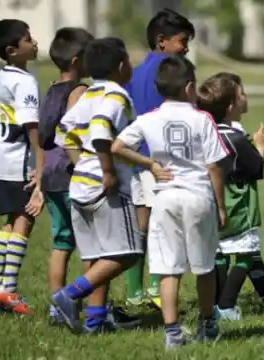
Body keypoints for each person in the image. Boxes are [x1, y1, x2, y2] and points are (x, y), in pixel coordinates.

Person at [50, 37, 172, 334]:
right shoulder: (116, 96)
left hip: (80, 185)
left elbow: (64, 132)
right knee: (127, 252)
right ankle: (69, 295)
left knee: (95, 256)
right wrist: (106, 170)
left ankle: (94, 321)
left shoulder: (88, 94)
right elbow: (102, 131)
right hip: (107, 187)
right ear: (121, 67)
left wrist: (82, 165)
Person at [112, 55, 228, 350]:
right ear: (190, 87)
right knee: (204, 267)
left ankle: (172, 333)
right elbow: (214, 166)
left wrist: (149, 164)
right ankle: (207, 325)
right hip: (198, 197)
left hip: (164, 199)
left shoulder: (148, 119)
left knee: (168, 269)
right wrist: (221, 205)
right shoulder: (203, 119)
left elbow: (117, 147)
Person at [197, 74, 264, 321]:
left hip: (209, 203)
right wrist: (260, 146)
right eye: (242, 95)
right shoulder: (236, 138)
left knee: (218, 252)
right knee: (245, 253)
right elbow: (256, 169)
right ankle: (227, 305)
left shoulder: (203, 132)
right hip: (238, 205)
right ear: (230, 107)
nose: (245, 98)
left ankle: (220, 301)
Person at [124, 8, 196, 309]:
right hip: (162, 163)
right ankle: (157, 287)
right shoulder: (170, 74)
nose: (186, 48)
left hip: (136, 161)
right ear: (162, 41)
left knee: (141, 225)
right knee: (163, 226)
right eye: (183, 41)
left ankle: (134, 292)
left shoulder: (133, 73)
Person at [0, 19, 45, 315]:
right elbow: (32, 128)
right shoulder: (25, 81)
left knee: (11, 217)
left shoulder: (3, 74)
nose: (34, 42)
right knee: (26, 217)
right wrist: (41, 171)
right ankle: (8, 288)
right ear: (12, 50)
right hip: (18, 158)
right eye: (27, 39)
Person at [38, 27, 93, 326]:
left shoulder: (51, 89)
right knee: (90, 244)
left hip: (51, 175)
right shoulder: (79, 91)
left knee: (61, 243)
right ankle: (95, 305)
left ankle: (56, 306)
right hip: (72, 174)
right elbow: (77, 131)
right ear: (76, 60)